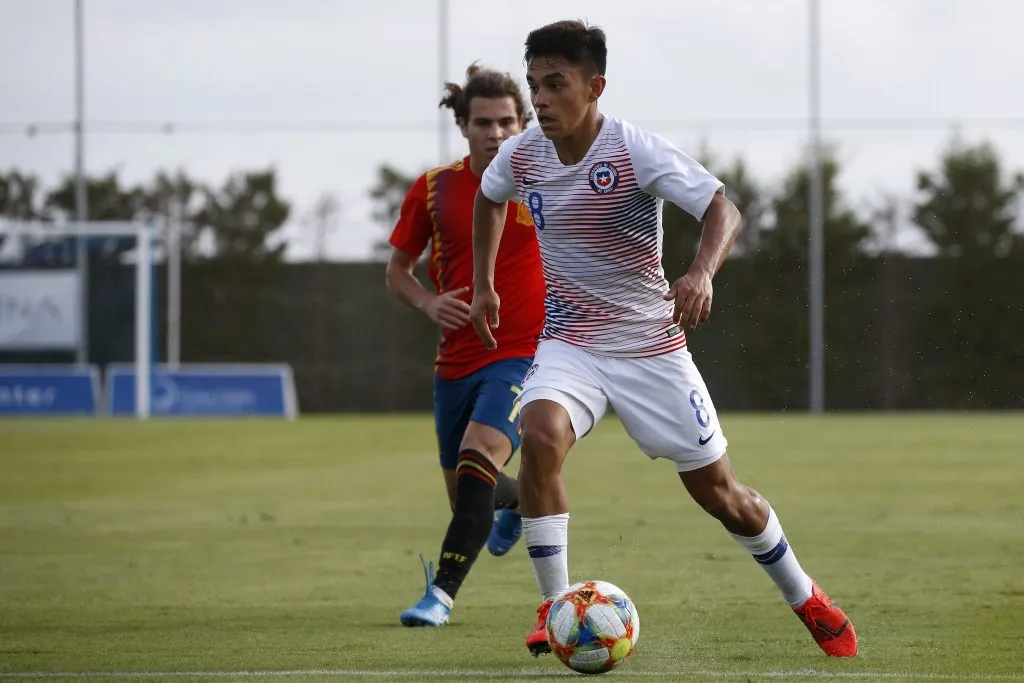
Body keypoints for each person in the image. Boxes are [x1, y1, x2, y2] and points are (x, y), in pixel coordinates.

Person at [468, 20, 858, 658]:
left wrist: (701, 273)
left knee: (724, 498)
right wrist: (484, 284)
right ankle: (554, 608)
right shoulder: (523, 154)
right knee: (538, 437)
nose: (539, 99)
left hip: (652, 346)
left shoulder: (633, 150)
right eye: (534, 84)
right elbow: (489, 198)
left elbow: (722, 208)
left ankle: (805, 596)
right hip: (571, 345)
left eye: (555, 84)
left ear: (595, 86)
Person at [386, 63, 546, 627]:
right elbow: (398, 271)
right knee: (468, 492)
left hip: (529, 353)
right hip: (454, 362)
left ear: (523, 122)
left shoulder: (545, 178)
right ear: (462, 125)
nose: (496, 133)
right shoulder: (433, 188)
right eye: (483, 122)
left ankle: (441, 595)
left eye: (507, 122)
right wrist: (429, 303)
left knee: (479, 454)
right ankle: (520, 500)